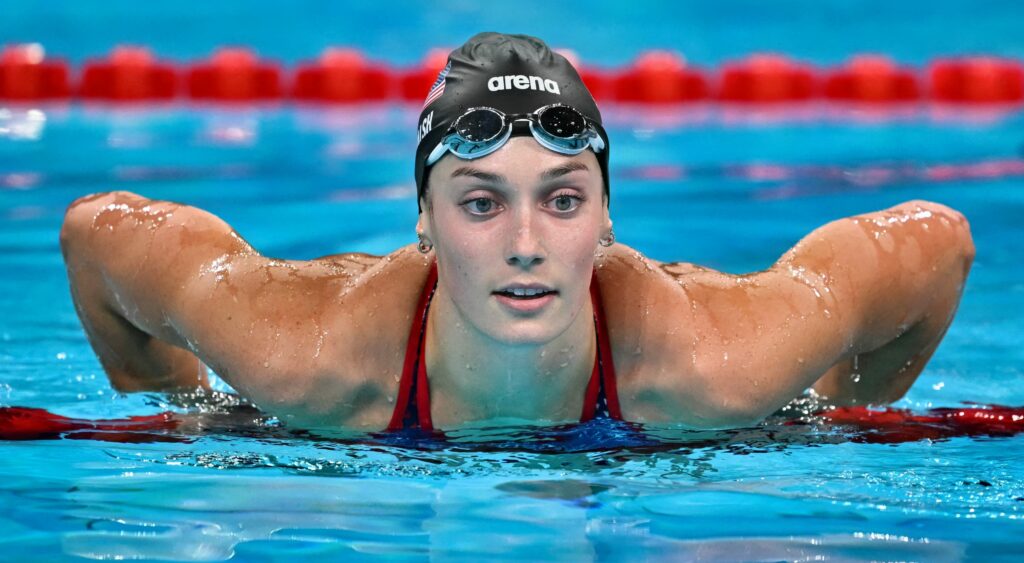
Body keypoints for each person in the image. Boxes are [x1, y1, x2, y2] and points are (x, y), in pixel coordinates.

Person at [59, 32, 975, 432]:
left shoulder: (719, 359)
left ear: (609, 216)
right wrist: (182, 410)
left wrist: (828, 407)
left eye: (565, 199)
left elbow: (936, 242)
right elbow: (97, 233)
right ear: (424, 220)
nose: (527, 240)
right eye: (482, 202)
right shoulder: (305, 351)